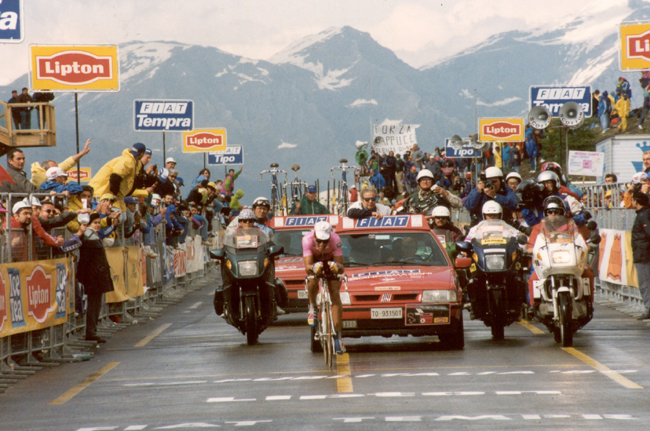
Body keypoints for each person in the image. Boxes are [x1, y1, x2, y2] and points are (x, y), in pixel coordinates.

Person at [302, 221, 346, 354]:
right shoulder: (307, 240)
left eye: (325, 241)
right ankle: (313, 306)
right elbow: (307, 267)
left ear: (329, 238)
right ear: (314, 236)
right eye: (319, 241)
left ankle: (338, 338)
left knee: (335, 293)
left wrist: (337, 267)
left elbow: (341, 267)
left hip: (330, 261)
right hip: (315, 262)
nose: (321, 245)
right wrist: (313, 268)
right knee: (312, 280)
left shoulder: (335, 239)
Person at [77, 213, 116, 343]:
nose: (98, 225)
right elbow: (85, 261)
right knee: (93, 305)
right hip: (93, 276)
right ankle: (90, 332)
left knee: (96, 305)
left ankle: (92, 331)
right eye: (95, 222)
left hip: (97, 276)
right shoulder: (88, 238)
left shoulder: (94, 236)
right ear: (88, 224)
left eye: (99, 222)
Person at [88, 143, 154, 211]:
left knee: (121, 216)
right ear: (142, 154)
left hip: (107, 194)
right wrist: (115, 194)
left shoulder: (132, 161)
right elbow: (115, 177)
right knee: (114, 216)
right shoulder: (128, 161)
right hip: (103, 193)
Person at [631, 192, 650, 319]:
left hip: (643, 254)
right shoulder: (643, 214)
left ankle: (649, 308)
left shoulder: (643, 215)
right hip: (642, 252)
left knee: (645, 283)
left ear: (636, 201)